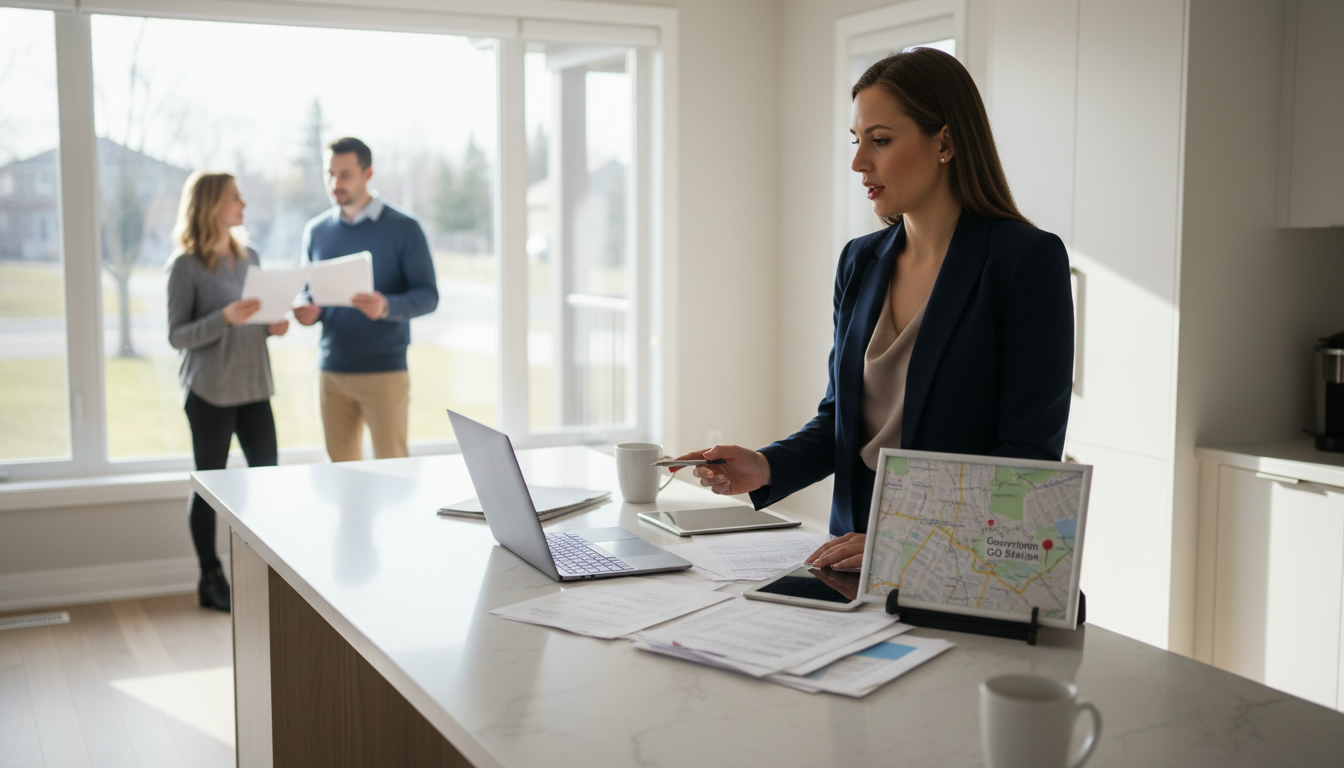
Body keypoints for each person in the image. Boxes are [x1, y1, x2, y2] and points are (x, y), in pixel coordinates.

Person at [674, 48, 1074, 574]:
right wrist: (767, 466)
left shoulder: (1025, 260)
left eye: (880, 141)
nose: (860, 163)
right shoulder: (860, 262)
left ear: (946, 143)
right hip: (852, 559)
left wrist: (903, 542)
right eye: (858, 141)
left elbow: (1026, 462)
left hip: (962, 568)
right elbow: (841, 419)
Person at [167, 172, 289, 612]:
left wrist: (272, 325)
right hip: (210, 394)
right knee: (210, 485)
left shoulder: (249, 257)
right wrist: (225, 318)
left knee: (269, 483)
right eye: (235, 198)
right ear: (212, 205)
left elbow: (253, 322)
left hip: (255, 388)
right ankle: (210, 577)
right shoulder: (185, 266)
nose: (243, 205)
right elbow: (177, 335)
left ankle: (268, 575)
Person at [293, 137, 438, 462]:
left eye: (345, 174)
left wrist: (386, 306)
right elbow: (309, 291)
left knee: (394, 470)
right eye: (329, 174)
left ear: (367, 174)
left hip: (384, 373)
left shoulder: (405, 228)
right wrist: (307, 310)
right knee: (341, 476)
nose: (335, 183)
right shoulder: (316, 231)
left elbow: (428, 296)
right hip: (331, 371)